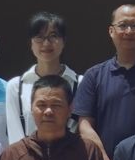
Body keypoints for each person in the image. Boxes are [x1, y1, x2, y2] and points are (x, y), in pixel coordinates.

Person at [73, 2, 135, 160]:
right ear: (111, 31)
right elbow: (84, 125)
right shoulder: (94, 76)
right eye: (123, 25)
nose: (129, 31)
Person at [5, 11, 81, 143]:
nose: (46, 43)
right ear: (31, 43)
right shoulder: (16, 86)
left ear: (63, 42)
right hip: (27, 155)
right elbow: (15, 134)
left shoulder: (80, 83)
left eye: (53, 36)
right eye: (39, 37)